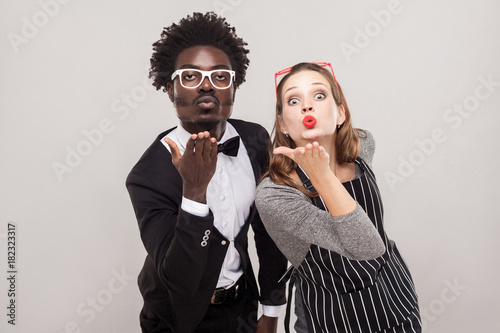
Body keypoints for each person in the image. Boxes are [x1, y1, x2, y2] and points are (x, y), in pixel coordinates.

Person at [126, 12, 287, 333]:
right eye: (190, 76)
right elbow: (179, 278)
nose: (206, 86)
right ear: (170, 90)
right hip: (178, 319)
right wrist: (194, 193)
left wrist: (270, 310)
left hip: (244, 306)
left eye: (220, 76)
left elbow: (270, 233)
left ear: (234, 86)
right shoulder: (147, 177)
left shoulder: (255, 141)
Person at [255, 62, 422, 332]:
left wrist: (324, 168)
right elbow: (368, 248)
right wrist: (320, 176)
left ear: (340, 113)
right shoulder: (275, 195)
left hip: (394, 296)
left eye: (319, 96)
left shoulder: (362, 145)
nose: (307, 107)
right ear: (284, 124)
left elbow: (378, 249)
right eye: (294, 100)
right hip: (334, 314)